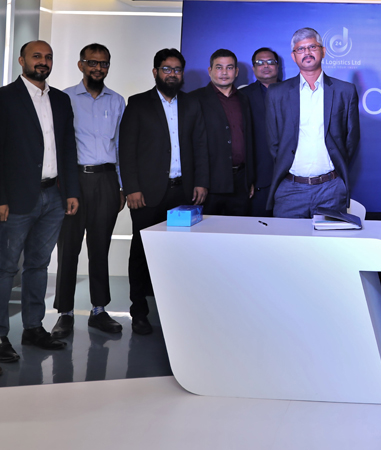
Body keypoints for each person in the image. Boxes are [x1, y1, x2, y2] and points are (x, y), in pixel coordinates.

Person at [119, 48, 209, 335]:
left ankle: (177, 312)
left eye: (177, 69)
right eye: (166, 69)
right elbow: (126, 150)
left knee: (181, 256)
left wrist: (201, 182)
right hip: (147, 195)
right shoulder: (138, 103)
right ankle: (139, 312)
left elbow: (200, 145)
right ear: (155, 72)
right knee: (141, 253)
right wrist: (131, 188)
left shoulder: (192, 103)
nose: (172, 74)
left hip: (183, 193)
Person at [0, 40, 80, 362]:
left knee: (38, 264)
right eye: (36, 56)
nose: (43, 61)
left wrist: (71, 191)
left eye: (48, 57)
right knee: (6, 268)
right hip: (16, 198)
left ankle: (33, 328)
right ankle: (0, 336)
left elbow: (68, 148)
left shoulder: (60, 100)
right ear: (22, 60)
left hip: (54, 196)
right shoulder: (5, 98)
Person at [51, 43, 126, 339]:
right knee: (68, 248)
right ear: (81, 65)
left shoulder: (117, 101)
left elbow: (120, 146)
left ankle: (99, 310)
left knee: (100, 247)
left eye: (103, 63)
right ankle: (65, 313)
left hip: (106, 180)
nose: (98, 68)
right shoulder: (64, 98)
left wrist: (121, 186)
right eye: (92, 62)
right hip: (73, 181)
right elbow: (56, 144)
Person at [266, 28, 360, 218]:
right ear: (293, 56)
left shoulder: (345, 91)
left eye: (312, 47)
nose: (307, 52)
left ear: (323, 51)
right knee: (287, 238)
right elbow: (273, 142)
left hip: (331, 190)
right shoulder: (277, 93)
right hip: (290, 189)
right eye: (300, 49)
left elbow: (351, 139)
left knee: (329, 239)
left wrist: (335, 177)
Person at [192, 49, 254, 216]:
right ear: (210, 70)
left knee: (238, 230)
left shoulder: (244, 99)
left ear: (236, 72)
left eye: (229, 67)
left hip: (241, 182)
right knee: (207, 231)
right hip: (209, 184)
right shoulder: (195, 99)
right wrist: (199, 182)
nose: (224, 72)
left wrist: (250, 179)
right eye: (219, 67)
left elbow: (249, 140)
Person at [240, 47, 281, 217]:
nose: (266, 66)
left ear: (277, 66)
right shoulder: (242, 96)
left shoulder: (294, 92)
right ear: (253, 68)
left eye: (270, 62)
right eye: (260, 62)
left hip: (291, 179)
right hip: (258, 180)